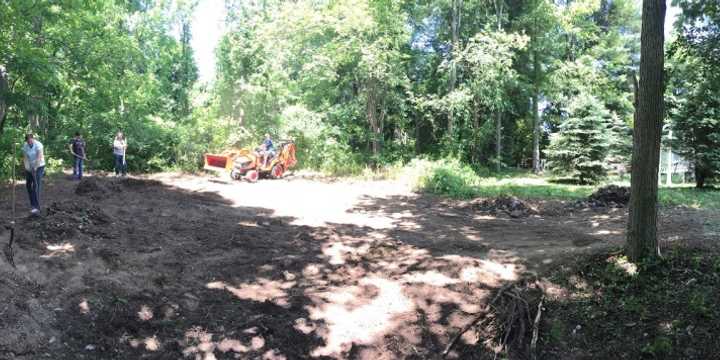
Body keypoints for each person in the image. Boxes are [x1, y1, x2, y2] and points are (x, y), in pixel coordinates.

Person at [21, 133, 45, 215]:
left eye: (30, 141)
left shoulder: (38, 145)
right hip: (30, 167)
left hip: (39, 166)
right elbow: (25, 158)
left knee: (36, 185)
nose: (29, 142)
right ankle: (33, 203)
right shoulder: (25, 146)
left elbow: (39, 157)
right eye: (27, 141)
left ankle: (37, 206)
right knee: (28, 185)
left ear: (33, 139)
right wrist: (27, 168)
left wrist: (35, 168)